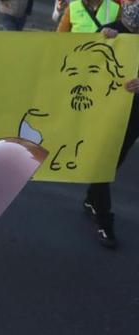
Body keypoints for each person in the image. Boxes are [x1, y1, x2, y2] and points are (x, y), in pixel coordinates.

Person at [82, 1, 139, 248]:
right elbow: (88, 56)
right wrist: (104, 35)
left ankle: (92, 199)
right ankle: (105, 220)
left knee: (114, 161)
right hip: (109, 107)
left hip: (135, 113)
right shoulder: (117, 27)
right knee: (106, 159)